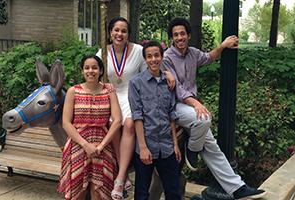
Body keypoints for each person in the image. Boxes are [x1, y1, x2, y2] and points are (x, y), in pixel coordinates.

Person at [161, 17, 266, 199]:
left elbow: (209, 57)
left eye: (182, 34)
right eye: (176, 35)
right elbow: (177, 89)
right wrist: (196, 103)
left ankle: (237, 188)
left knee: (212, 147)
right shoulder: (166, 58)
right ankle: (192, 150)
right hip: (174, 106)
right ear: (171, 38)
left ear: (188, 35)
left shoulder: (193, 53)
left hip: (188, 107)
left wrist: (223, 45)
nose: (179, 38)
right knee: (204, 118)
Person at [96, 16, 175, 200]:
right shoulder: (103, 52)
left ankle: (121, 177)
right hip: (111, 95)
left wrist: (167, 73)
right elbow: (96, 75)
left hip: (132, 94)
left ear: (128, 34)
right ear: (110, 33)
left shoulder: (138, 50)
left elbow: (151, 69)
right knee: (113, 123)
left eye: (123, 31)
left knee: (130, 123)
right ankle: (120, 171)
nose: (119, 34)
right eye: (116, 30)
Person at [58, 55, 122, 200]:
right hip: (78, 144)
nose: (90, 71)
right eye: (86, 68)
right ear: (82, 71)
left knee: (98, 191)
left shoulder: (109, 91)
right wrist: (85, 145)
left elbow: (118, 120)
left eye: (94, 67)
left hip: (103, 146)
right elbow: (66, 123)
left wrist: (101, 146)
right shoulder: (73, 91)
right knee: (77, 191)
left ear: (100, 71)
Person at [128, 40, 182, 200]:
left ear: (162, 57)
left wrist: (175, 144)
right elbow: (137, 116)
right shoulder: (136, 83)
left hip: (167, 147)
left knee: (173, 192)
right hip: (146, 147)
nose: (153, 59)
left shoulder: (169, 82)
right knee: (142, 194)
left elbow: (171, 114)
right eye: (149, 56)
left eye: (156, 55)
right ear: (145, 59)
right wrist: (143, 147)